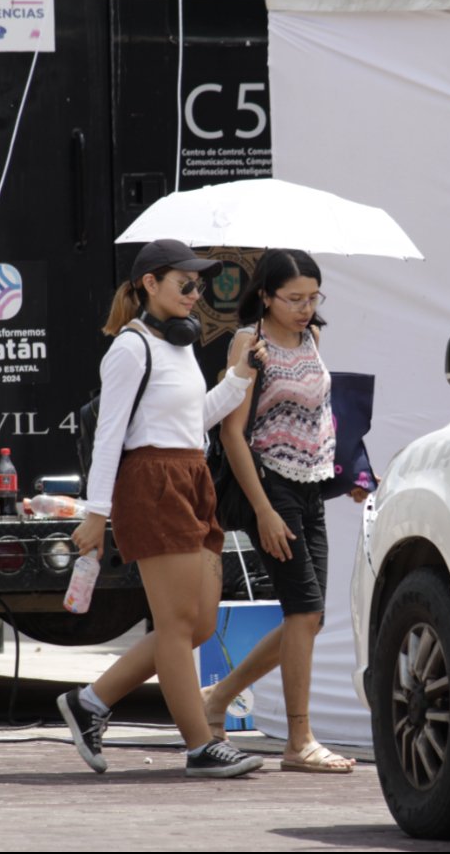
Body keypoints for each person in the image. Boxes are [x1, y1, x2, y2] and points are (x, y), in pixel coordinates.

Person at [61, 239, 267, 779]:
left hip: (191, 476)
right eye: (186, 284)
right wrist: (95, 513)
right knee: (176, 623)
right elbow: (109, 436)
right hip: (151, 482)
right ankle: (200, 744)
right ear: (149, 283)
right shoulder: (130, 348)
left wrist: (241, 375)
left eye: (199, 286)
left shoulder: (176, 345)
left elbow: (195, 418)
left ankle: (89, 702)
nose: (196, 295)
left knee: (196, 624)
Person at [203, 248, 361, 774]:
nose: (304, 307)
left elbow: (322, 417)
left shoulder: (313, 337)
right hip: (271, 486)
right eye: (293, 298)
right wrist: (264, 510)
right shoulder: (251, 343)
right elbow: (231, 431)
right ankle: (299, 739)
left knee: (308, 618)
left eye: (313, 297)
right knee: (303, 610)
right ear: (265, 296)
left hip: (313, 485)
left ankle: (218, 697)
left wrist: (354, 473)